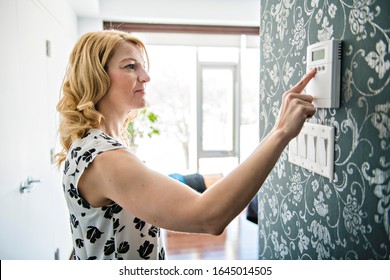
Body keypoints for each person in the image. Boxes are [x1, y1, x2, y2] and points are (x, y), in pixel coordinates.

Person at [56, 29, 316, 260]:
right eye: (130, 66)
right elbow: (209, 216)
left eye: (143, 66)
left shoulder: (92, 145)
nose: (145, 76)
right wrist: (280, 132)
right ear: (96, 77)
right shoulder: (106, 159)